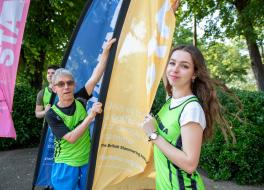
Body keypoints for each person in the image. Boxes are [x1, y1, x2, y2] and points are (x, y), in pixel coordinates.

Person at [142, 45, 227, 189]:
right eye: (172, 63)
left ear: (194, 74)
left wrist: (153, 135)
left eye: (184, 66)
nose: (175, 69)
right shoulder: (171, 99)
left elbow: (190, 164)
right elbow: (163, 63)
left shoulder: (191, 109)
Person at [45, 38, 116, 190]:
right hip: (65, 165)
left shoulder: (81, 99)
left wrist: (105, 52)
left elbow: (95, 76)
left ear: (74, 84)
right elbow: (71, 138)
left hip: (86, 162)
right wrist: (90, 116)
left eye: (69, 83)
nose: (66, 87)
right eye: (61, 84)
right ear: (54, 88)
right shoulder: (51, 114)